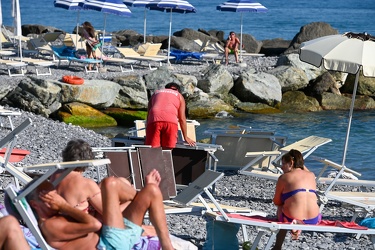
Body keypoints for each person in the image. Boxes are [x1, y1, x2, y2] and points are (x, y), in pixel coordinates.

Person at [27, 169, 174, 250]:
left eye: (55, 193)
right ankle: (139, 197)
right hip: (110, 244)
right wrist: (64, 206)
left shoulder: (57, 216)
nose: (57, 196)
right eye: (49, 196)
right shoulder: (49, 225)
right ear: (35, 205)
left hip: (118, 238)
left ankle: (168, 247)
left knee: (152, 190)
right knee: (109, 183)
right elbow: (94, 225)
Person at [50, 139, 157, 236]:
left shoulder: (55, 174)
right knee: (127, 193)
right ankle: (140, 198)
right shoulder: (86, 184)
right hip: (84, 225)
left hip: (66, 218)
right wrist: (130, 203)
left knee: (121, 181)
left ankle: (138, 197)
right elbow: (109, 214)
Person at [272, 149, 321, 250]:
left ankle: (277, 246)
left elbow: (276, 202)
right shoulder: (311, 175)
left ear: (291, 163)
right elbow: (302, 169)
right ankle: (296, 227)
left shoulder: (284, 177)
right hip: (314, 219)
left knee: (282, 206)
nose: (281, 167)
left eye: (284, 163)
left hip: (291, 219)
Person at [145, 82, 196, 149]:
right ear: (178, 90)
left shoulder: (156, 93)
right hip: (170, 121)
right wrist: (185, 137)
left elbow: (149, 116)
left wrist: (148, 134)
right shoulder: (179, 95)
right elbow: (182, 119)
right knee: (168, 148)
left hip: (154, 119)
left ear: (166, 88)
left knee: (153, 148)